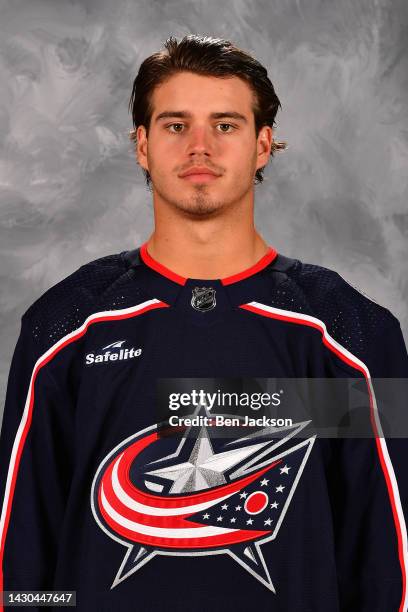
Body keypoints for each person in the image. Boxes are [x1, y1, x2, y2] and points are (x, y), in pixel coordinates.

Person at [0, 34, 407, 612]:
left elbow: (389, 555)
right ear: (141, 145)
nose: (199, 147)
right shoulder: (64, 327)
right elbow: (21, 555)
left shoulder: (352, 333)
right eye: (174, 125)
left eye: (225, 125)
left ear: (263, 144)